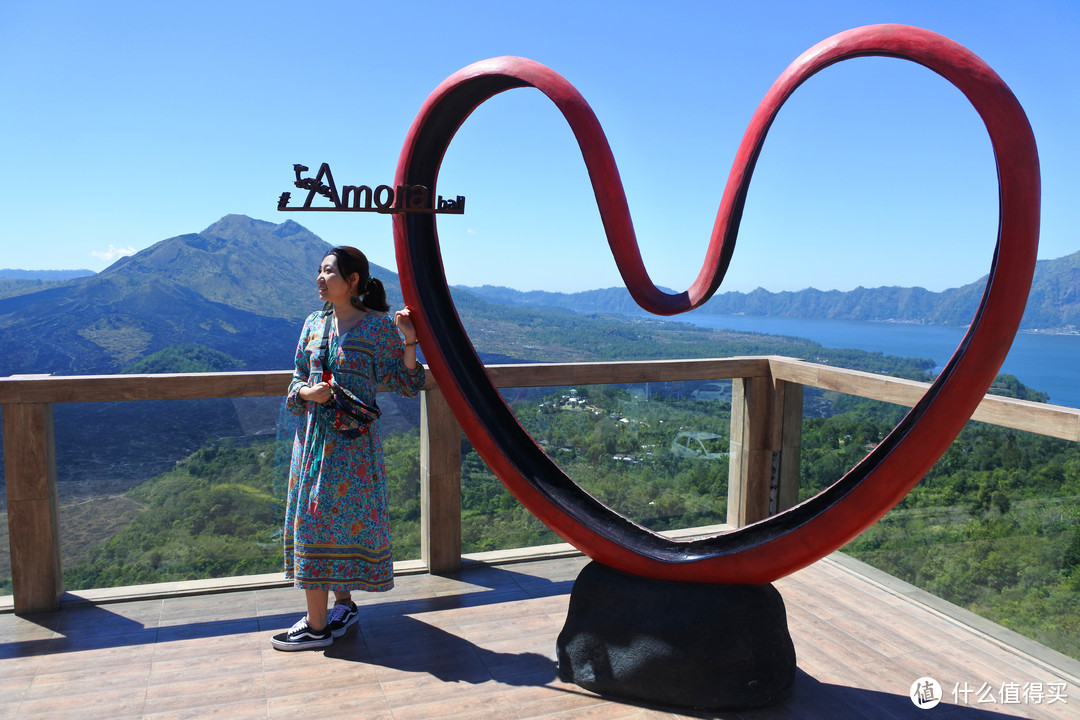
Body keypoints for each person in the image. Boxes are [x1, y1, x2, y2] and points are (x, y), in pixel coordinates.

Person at [272, 246, 425, 651]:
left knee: (324, 523)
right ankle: (340, 607)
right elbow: (295, 381)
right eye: (319, 271)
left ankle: (317, 625)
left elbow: (407, 385)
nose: (320, 279)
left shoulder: (376, 328)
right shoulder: (312, 323)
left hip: (353, 450)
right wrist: (309, 392)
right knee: (318, 520)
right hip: (313, 444)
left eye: (329, 272)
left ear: (353, 280)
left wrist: (409, 343)